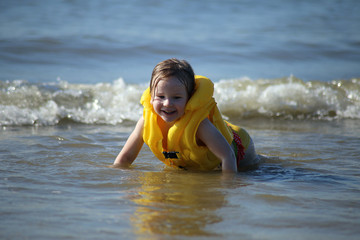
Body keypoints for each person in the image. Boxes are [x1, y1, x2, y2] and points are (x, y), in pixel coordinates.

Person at [113, 58, 259, 173]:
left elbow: (228, 156)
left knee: (255, 167)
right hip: (203, 154)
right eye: (161, 96)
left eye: (177, 98)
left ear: (189, 99)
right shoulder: (145, 122)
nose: (167, 103)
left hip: (239, 148)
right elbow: (125, 158)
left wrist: (226, 187)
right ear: (151, 97)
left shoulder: (200, 126)